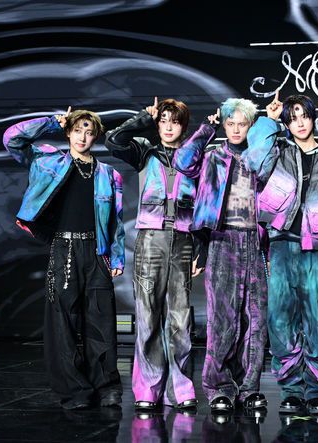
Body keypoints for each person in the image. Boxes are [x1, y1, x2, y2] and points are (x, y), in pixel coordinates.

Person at [4, 107, 124, 409]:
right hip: (64, 249)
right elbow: (12, 139)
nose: (83, 137)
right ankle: (75, 390)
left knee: (101, 320)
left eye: (89, 132)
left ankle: (106, 386)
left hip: (97, 251)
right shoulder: (48, 162)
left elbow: (116, 221)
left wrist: (117, 257)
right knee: (63, 322)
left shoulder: (109, 175)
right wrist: (50, 123)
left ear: (95, 136)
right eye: (77, 130)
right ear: (68, 132)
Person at [244, 92, 318, 415]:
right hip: (281, 245)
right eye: (292, 118)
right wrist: (269, 120)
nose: (300, 123)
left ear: (313, 118)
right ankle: (291, 389)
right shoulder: (278, 151)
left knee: (316, 321)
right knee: (279, 320)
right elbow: (253, 160)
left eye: (304, 116)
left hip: (316, 249)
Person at [174, 98, 269, 414]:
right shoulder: (213, 156)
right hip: (222, 238)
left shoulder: (261, 156)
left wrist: (269, 126)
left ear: (251, 126)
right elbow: (182, 161)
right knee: (222, 319)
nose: (236, 129)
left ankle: (249, 388)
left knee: (255, 320)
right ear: (224, 125)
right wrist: (207, 128)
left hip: (255, 240)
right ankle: (219, 387)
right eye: (231, 123)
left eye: (242, 124)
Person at [105, 98, 200, 411]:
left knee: (181, 318)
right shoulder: (145, 151)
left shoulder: (194, 156)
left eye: (175, 121)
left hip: (183, 239)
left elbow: (205, 202)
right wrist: (143, 118)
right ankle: (148, 388)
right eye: (164, 121)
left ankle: (181, 388)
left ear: (183, 126)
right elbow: (113, 141)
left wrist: (201, 247)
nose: (169, 127)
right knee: (148, 314)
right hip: (150, 238)